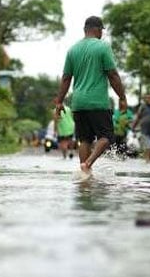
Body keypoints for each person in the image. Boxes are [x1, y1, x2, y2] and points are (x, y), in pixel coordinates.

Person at [54, 16, 128, 179]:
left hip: (78, 103)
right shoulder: (103, 47)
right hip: (97, 102)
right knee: (107, 137)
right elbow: (113, 74)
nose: (102, 33)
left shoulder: (72, 50)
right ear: (97, 29)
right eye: (101, 30)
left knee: (84, 140)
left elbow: (66, 78)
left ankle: (84, 174)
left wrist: (59, 101)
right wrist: (122, 97)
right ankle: (88, 164)